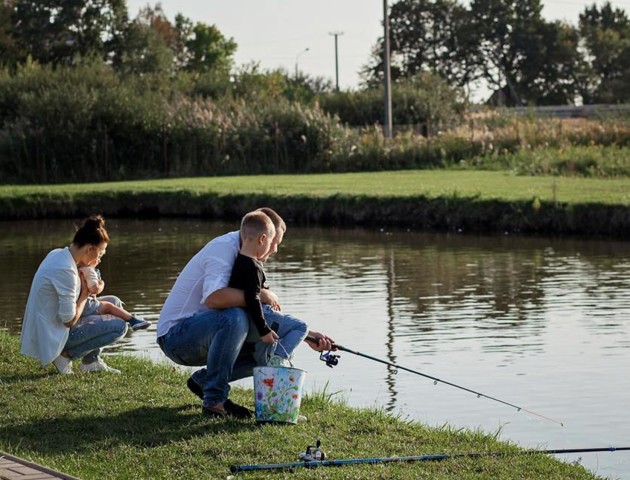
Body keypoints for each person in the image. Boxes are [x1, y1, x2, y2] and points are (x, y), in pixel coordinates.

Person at [157, 207, 335, 419]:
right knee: (235, 317)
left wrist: (306, 335)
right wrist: (260, 296)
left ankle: (204, 382)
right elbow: (214, 298)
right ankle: (215, 401)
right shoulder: (224, 250)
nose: (276, 249)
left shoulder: (248, 256)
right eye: (275, 241)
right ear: (262, 237)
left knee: (267, 344)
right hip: (176, 338)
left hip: (205, 333)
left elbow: (262, 315)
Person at [21, 215, 128, 374]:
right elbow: (69, 320)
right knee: (119, 326)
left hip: (52, 322)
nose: (99, 259)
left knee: (114, 302)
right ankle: (63, 355)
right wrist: (85, 293)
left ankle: (90, 362)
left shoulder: (58, 254)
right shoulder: (66, 270)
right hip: (52, 334)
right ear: (89, 249)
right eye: (100, 254)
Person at [79, 261, 150, 331]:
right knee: (108, 306)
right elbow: (94, 289)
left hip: (80, 304)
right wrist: (101, 285)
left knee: (113, 301)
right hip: (85, 305)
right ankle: (133, 321)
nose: (99, 260)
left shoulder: (76, 268)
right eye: (98, 256)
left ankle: (127, 317)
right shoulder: (88, 270)